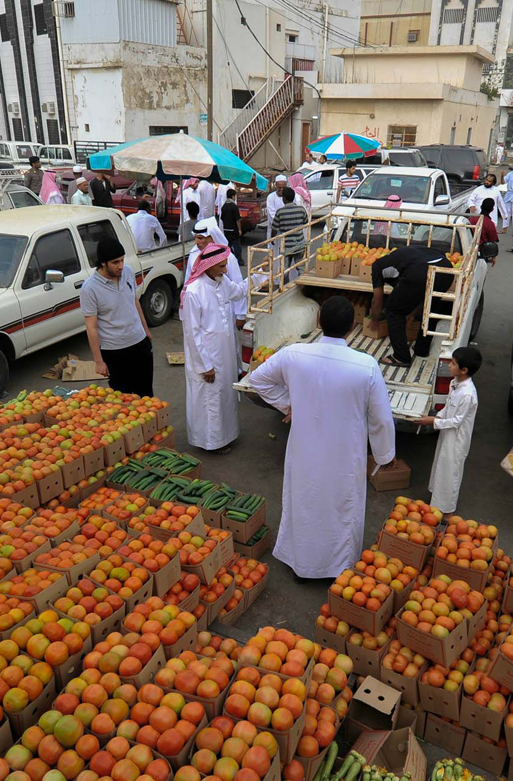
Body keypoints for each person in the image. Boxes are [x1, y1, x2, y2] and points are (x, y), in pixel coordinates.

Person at [246, 296, 396, 579]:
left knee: (305, 499)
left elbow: (258, 380)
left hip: (304, 449)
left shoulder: (294, 355)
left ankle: (300, 561)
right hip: (344, 454)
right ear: (352, 327)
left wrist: (286, 403)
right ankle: (337, 567)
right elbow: (381, 419)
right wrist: (384, 455)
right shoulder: (365, 365)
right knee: (340, 506)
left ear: (318, 322)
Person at [181, 243, 246, 453]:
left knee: (224, 394)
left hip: (224, 354)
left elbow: (237, 292)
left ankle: (226, 436)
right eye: (221, 266)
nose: (225, 270)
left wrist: (259, 276)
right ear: (208, 266)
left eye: (226, 265)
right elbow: (192, 333)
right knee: (210, 400)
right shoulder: (194, 292)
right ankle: (211, 443)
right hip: (206, 357)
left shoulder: (221, 282)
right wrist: (205, 365)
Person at [79, 235, 154, 397]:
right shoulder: (89, 289)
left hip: (140, 344)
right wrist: (98, 361)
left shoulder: (127, 272)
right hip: (115, 352)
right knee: (123, 400)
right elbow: (91, 328)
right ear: (103, 263)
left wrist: (146, 330)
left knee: (146, 395)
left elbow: (135, 302)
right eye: (115, 262)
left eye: (122, 260)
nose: (120, 266)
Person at [415, 346, 481, 513]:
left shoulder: (468, 395)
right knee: (441, 465)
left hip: (457, 438)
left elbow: (457, 421)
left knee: (450, 472)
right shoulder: (455, 383)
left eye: (452, 363)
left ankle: (446, 510)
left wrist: (433, 422)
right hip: (447, 433)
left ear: (464, 370)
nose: (449, 366)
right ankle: (437, 501)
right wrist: (437, 416)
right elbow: (447, 407)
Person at [369, 244, 453, 367]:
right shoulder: (410, 253)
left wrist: (375, 320)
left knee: (393, 311)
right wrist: (412, 313)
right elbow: (416, 292)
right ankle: (421, 349)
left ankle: (401, 357)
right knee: (430, 306)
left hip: (421, 272)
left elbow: (377, 299)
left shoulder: (377, 267)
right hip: (446, 270)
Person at [187, 220, 247, 326]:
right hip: (202, 308)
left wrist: (240, 314)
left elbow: (238, 285)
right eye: (195, 237)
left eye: (200, 238)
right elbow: (188, 280)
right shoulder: (193, 255)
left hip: (224, 309)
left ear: (212, 238)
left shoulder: (227, 257)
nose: (196, 242)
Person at [271, 187, 310, 281]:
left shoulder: (280, 212)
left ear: (284, 198)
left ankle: (284, 288)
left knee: (284, 269)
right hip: (299, 243)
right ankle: (303, 284)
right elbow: (305, 222)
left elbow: (274, 228)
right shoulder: (301, 209)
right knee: (301, 267)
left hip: (286, 246)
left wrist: (272, 238)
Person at [219, 190, 242, 263]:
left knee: (228, 245)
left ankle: (230, 258)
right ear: (233, 196)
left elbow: (222, 218)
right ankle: (239, 260)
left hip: (226, 230)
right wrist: (239, 230)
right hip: (234, 230)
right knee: (237, 246)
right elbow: (238, 220)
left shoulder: (224, 206)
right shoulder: (234, 206)